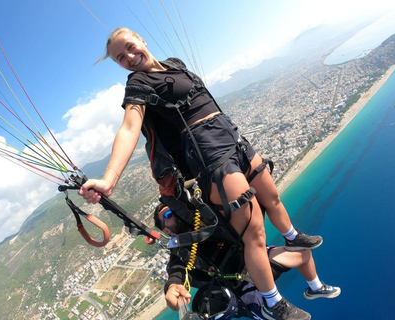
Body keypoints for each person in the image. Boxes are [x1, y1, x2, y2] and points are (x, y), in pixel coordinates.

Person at [78, 27, 323, 319]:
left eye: (130, 47)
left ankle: (293, 236)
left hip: (229, 136)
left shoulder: (175, 64)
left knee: (271, 195)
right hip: (208, 152)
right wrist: (109, 179)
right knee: (254, 228)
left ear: (142, 40)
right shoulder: (138, 84)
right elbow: (130, 127)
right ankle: (273, 304)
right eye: (121, 57)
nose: (129, 57)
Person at [154, 204, 341, 319]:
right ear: (167, 232)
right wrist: (172, 287)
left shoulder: (206, 221)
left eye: (173, 210)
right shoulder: (180, 251)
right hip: (240, 286)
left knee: (303, 252)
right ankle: (267, 309)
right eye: (168, 215)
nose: (174, 214)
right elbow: (176, 270)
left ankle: (315, 287)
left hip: (255, 260)